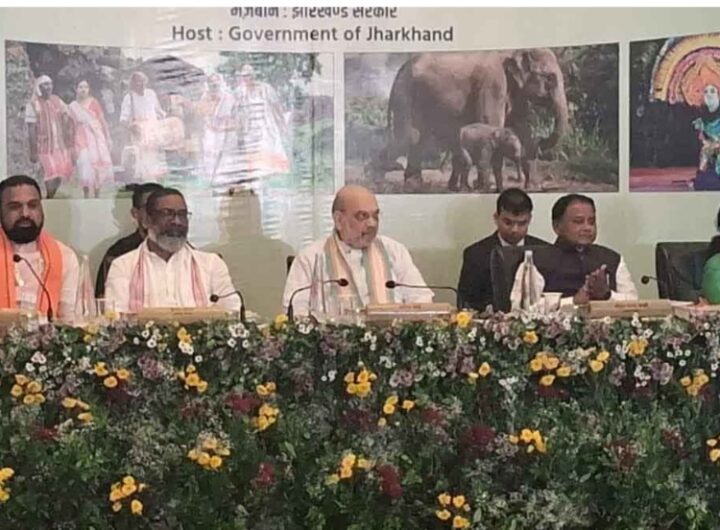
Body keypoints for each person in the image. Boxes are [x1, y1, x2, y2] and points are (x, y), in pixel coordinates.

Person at [282, 185, 432, 315]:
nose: (372, 224)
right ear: (339, 220)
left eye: (375, 216)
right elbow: (295, 312)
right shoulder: (311, 257)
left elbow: (422, 299)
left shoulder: (394, 250)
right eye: (362, 216)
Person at [105, 188, 240, 313]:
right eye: (167, 213)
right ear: (147, 220)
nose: (177, 221)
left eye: (182, 214)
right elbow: (116, 318)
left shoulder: (211, 264)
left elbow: (232, 312)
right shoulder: (123, 266)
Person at [510, 193, 638, 307]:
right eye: (578, 222)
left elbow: (635, 305)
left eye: (591, 222)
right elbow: (523, 306)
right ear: (557, 226)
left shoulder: (612, 259)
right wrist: (572, 302)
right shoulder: (536, 261)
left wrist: (606, 295)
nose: (587, 228)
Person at [0, 175, 79, 320]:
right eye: (15, 207)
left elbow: (70, 319)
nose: (25, 214)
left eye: (33, 205)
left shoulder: (65, 257)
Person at [457, 188, 547, 311]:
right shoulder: (475, 254)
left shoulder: (544, 251)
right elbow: (466, 302)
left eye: (522, 223)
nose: (514, 229)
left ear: (530, 220)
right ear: (496, 218)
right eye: (508, 222)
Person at [94, 182, 164, 298]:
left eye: (163, 210)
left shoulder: (183, 251)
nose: (157, 214)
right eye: (150, 208)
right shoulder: (118, 253)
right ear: (135, 213)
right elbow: (105, 302)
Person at [234, 64, 290, 179]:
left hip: (266, 125)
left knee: (268, 147)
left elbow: (276, 107)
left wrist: (281, 124)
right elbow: (237, 110)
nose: (246, 78)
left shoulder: (265, 88)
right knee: (253, 152)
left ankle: (272, 173)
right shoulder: (240, 91)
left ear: (253, 76)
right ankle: (258, 174)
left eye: (248, 75)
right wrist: (239, 128)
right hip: (250, 127)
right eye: (244, 76)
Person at [25, 75, 74, 198]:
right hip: (44, 146)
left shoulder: (56, 100)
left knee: (60, 174)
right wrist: (33, 151)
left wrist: (67, 122)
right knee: (50, 173)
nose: (49, 87)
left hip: (59, 145)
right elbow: (31, 129)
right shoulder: (33, 104)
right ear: (39, 88)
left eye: (50, 84)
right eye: (45, 85)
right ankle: (49, 198)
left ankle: (49, 197)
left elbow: (68, 113)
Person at [119, 71, 168, 181]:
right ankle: (146, 180)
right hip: (139, 132)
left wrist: (167, 118)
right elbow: (123, 119)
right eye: (137, 82)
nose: (141, 84)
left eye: (142, 81)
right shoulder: (129, 98)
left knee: (155, 156)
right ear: (132, 84)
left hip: (153, 130)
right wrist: (132, 127)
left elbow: (159, 111)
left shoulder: (151, 94)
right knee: (143, 157)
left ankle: (154, 179)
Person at [69, 79, 114, 198]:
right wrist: (71, 143)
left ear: (89, 89)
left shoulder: (94, 102)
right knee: (84, 162)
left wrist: (108, 137)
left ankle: (97, 192)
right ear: (76, 89)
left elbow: (102, 121)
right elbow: (71, 126)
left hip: (96, 137)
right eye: (80, 87)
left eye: (86, 87)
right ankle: (86, 192)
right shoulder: (72, 106)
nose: (83, 90)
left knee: (97, 164)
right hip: (80, 137)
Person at [197, 73, 241, 186]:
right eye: (211, 83)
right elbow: (203, 113)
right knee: (210, 158)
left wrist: (228, 126)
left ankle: (225, 182)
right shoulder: (205, 97)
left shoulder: (228, 97)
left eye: (216, 82)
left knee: (227, 159)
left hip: (227, 133)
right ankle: (211, 181)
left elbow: (236, 117)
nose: (214, 85)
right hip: (211, 132)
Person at [693, 84, 720, 176]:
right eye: (706, 92)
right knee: (705, 152)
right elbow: (702, 138)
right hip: (711, 147)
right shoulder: (702, 115)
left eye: (712, 91)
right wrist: (708, 144)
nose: (709, 94)